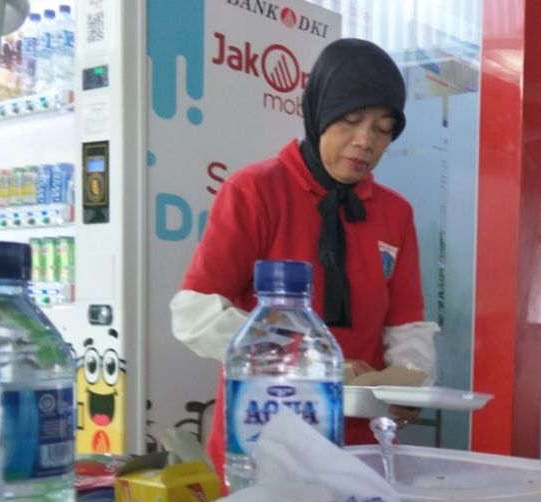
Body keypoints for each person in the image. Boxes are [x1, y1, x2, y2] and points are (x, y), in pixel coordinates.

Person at [170, 38, 437, 479]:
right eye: (351, 120)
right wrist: (308, 362)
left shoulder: (394, 213)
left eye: (384, 128)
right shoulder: (256, 192)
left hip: (358, 448)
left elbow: (407, 324)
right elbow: (193, 312)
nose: (365, 141)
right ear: (318, 112)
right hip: (262, 438)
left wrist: (406, 380)